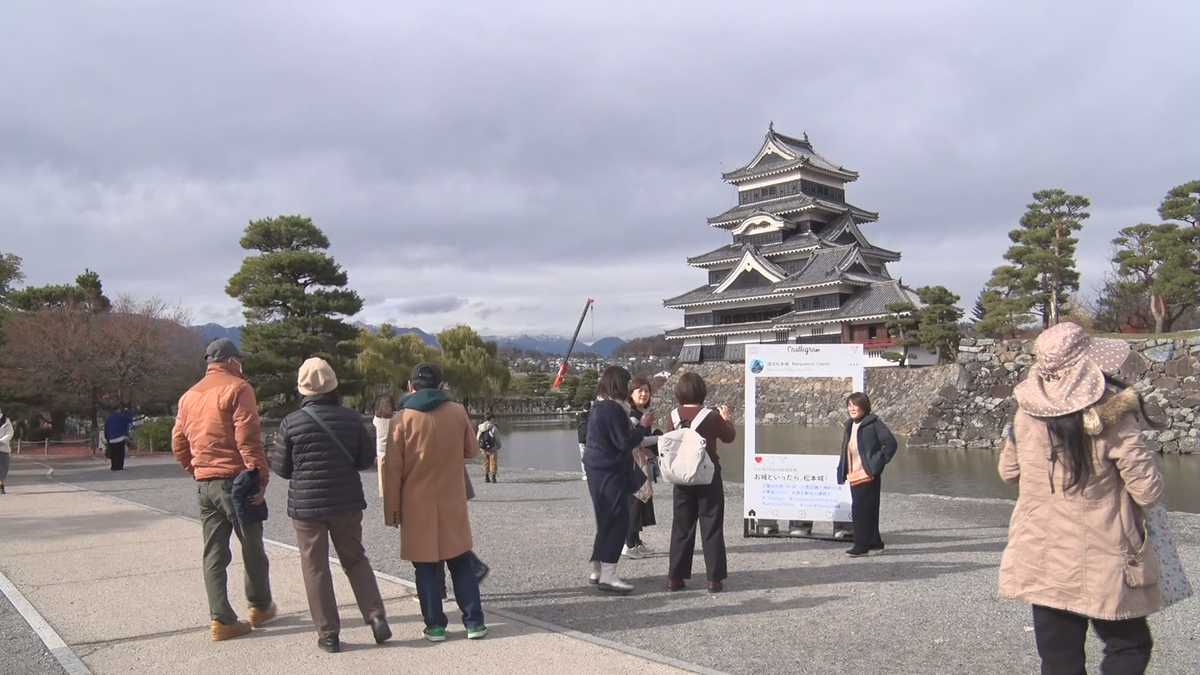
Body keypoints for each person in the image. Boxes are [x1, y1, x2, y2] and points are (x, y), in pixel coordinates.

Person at [999, 322, 1164, 675]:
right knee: (1129, 645)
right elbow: (1148, 491)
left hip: (1040, 551)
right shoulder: (1114, 412)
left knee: (1059, 659)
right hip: (1103, 551)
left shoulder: (1026, 412)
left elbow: (1008, 472)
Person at [272, 358, 390, 654]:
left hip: (307, 507)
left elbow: (282, 469)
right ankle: (375, 615)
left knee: (316, 567)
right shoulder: (352, 418)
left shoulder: (291, 422)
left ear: (303, 390)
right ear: (334, 386)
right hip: (347, 502)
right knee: (355, 559)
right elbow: (365, 462)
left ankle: (328, 635)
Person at [171, 338, 277, 642]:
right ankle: (259, 606)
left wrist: (195, 469)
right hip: (236, 479)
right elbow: (247, 437)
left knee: (214, 553)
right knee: (252, 546)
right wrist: (260, 477)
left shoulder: (189, 395)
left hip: (205, 483)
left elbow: (178, 441)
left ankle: (221, 619)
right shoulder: (238, 388)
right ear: (232, 361)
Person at [383, 362, 487, 642]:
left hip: (417, 505)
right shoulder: (457, 411)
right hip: (452, 500)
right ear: (441, 386)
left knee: (426, 566)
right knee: (461, 563)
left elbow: (391, 469)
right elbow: (472, 450)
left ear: (410, 386)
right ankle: (474, 622)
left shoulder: (401, 420)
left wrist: (392, 512)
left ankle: (436, 625)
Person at [583, 366, 653, 594]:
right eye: (626, 383)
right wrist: (642, 426)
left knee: (605, 519)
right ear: (618, 385)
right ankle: (609, 574)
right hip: (609, 470)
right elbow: (624, 442)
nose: (627, 387)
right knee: (618, 519)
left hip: (596, 468)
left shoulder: (598, 406)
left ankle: (597, 568)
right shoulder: (612, 409)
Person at [665, 372, 736, 593]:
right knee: (711, 525)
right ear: (702, 391)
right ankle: (714, 579)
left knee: (682, 526)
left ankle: (675, 577)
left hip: (681, 476)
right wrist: (727, 419)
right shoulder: (711, 416)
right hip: (707, 475)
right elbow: (729, 437)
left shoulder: (673, 416)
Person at [836, 392, 898, 557]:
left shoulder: (873, 423)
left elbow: (891, 443)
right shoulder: (850, 425)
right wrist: (841, 472)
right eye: (849, 405)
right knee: (866, 509)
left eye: (855, 405)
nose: (852, 408)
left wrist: (875, 464)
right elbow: (846, 451)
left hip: (869, 474)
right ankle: (875, 543)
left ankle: (861, 545)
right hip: (855, 475)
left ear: (864, 406)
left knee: (861, 509)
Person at [622, 378, 657, 560]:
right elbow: (636, 441)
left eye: (647, 391)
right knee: (635, 503)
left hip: (640, 464)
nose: (644, 394)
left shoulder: (641, 413)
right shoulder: (632, 416)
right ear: (631, 394)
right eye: (639, 391)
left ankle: (635, 542)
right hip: (633, 466)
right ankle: (628, 544)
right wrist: (659, 439)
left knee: (641, 501)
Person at [373, 394, 395, 497]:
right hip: (393, 449)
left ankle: (383, 494)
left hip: (381, 451)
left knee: (382, 477)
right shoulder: (395, 418)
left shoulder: (376, 419)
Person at [104, 404, 136, 471]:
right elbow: (130, 418)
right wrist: (127, 411)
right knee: (120, 453)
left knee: (114, 453)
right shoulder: (121, 417)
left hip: (111, 438)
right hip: (120, 437)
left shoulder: (109, 418)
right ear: (119, 409)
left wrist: (107, 438)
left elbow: (106, 428)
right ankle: (119, 467)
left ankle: (114, 466)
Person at [476, 412, 501, 483]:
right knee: (493, 462)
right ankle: (493, 477)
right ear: (491, 419)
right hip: (492, 448)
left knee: (485, 462)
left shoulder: (480, 427)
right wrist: (498, 446)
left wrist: (480, 446)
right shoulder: (493, 427)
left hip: (483, 448)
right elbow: (497, 439)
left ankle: (486, 477)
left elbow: (477, 438)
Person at [577, 400, 591, 480]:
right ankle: (591, 473)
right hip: (591, 439)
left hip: (581, 439)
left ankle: (585, 474)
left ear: (583, 407)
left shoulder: (579, 416)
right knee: (592, 456)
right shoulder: (593, 415)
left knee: (583, 457)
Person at [0, 408, 12, 494]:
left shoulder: (6, 421)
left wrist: (2, 441)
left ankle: (2, 485)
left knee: (3, 469)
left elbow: (10, 433)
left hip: (3, 448)